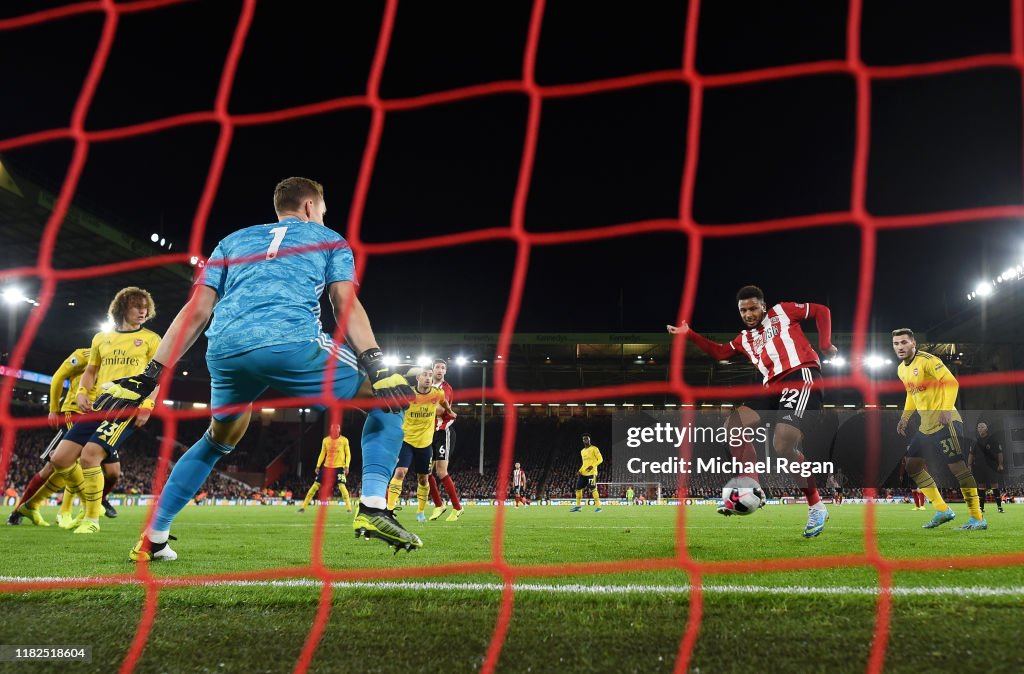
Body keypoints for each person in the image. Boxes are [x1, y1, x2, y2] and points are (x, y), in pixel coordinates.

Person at [97, 177, 416, 560]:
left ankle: (154, 537)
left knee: (217, 439)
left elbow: (197, 311)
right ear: (312, 207)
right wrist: (376, 362)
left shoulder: (231, 241)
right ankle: (373, 507)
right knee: (392, 400)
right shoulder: (329, 239)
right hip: (291, 342)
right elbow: (343, 305)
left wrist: (150, 374)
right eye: (324, 211)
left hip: (226, 350)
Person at [668, 285, 837, 537]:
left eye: (753, 308)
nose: (748, 314)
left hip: (800, 374)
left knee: (782, 446)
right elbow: (719, 351)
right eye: (743, 310)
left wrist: (825, 344)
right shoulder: (743, 339)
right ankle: (753, 486)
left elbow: (822, 311)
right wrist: (689, 334)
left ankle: (816, 505)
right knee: (733, 425)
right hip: (771, 386)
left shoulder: (782, 312)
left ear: (763, 306)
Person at [17, 289, 160, 533]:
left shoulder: (152, 339)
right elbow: (90, 372)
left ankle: (91, 519)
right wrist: (83, 391)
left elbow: (157, 377)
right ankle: (88, 499)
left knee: (90, 456)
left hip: (127, 406)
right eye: (137, 306)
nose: (143, 311)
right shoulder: (100, 339)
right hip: (98, 405)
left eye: (146, 306)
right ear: (123, 308)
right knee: (60, 459)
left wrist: (147, 405)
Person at [7, 347, 119, 525]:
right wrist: (53, 409)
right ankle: (23, 510)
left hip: (100, 417)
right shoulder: (83, 355)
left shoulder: (118, 359)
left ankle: (94, 502)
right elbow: (59, 376)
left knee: (113, 472)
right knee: (60, 465)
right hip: (75, 412)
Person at [892, 328, 985, 530]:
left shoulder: (928, 360)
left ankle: (978, 518)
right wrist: (905, 418)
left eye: (904, 342)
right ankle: (943, 510)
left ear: (913, 343)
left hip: (946, 421)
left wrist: (945, 408)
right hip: (926, 427)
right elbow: (911, 394)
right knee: (912, 466)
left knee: (957, 467)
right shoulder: (901, 369)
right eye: (896, 343)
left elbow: (951, 382)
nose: (900, 347)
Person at [387, 368, 456, 522]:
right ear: (418, 377)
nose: (428, 378)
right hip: (407, 441)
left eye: (430, 376)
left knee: (423, 479)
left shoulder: (437, 393)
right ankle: (389, 509)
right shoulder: (408, 394)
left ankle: (420, 512)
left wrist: (450, 411)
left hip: (425, 444)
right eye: (425, 375)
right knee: (400, 472)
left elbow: (444, 402)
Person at [426, 358, 463, 521]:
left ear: (445, 371)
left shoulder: (445, 388)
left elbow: (441, 410)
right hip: (427, 433)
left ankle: (457, 508)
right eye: (437, 367)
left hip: (443, 432)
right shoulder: (426, 387)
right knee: (425, 473)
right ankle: (438, 505)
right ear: (432, 370)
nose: (440, 370)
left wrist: (422, 405)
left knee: (441, 471)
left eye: (443, 368)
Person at [298, 423, 352, 513]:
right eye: (333, 428)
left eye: (337, 428)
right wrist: (318, 466)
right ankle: (303, 507)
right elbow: (322, 453)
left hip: (339, 467)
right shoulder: (326, 440)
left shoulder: (344, 440)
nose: (335, 429)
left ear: (339, 430)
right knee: (315, 486)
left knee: (342, 487)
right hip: (327, 467)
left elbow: (348, 454)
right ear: (330, 430)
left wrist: (347, 466)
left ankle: (349, 508)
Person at [970, 420, 1005, 515]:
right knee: (981, 487)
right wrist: (969, 465)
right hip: (979, 467)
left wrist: (1000, 464)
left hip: (991, 467)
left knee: (995, 486)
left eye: (982, 427)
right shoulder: (975, 442)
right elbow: (971, 454)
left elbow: (999, 453)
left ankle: (999, 507)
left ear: (986, 429)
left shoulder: (993, 440)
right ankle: (981, 508)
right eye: (979, 427)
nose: (980, 428)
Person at [569, 434, 603, 513]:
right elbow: (584, 463)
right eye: (584, 439)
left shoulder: (594, 448)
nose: (585, 440)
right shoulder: (582, 451)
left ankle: (599, 507)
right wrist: (580, 470)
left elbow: (600, 459)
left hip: (592, 473)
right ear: (583, 441)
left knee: (593, 488)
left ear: (589, 440)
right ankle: (578, 507)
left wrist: (592, 466)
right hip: (583, 474)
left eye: (587, 439)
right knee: (578, 488)